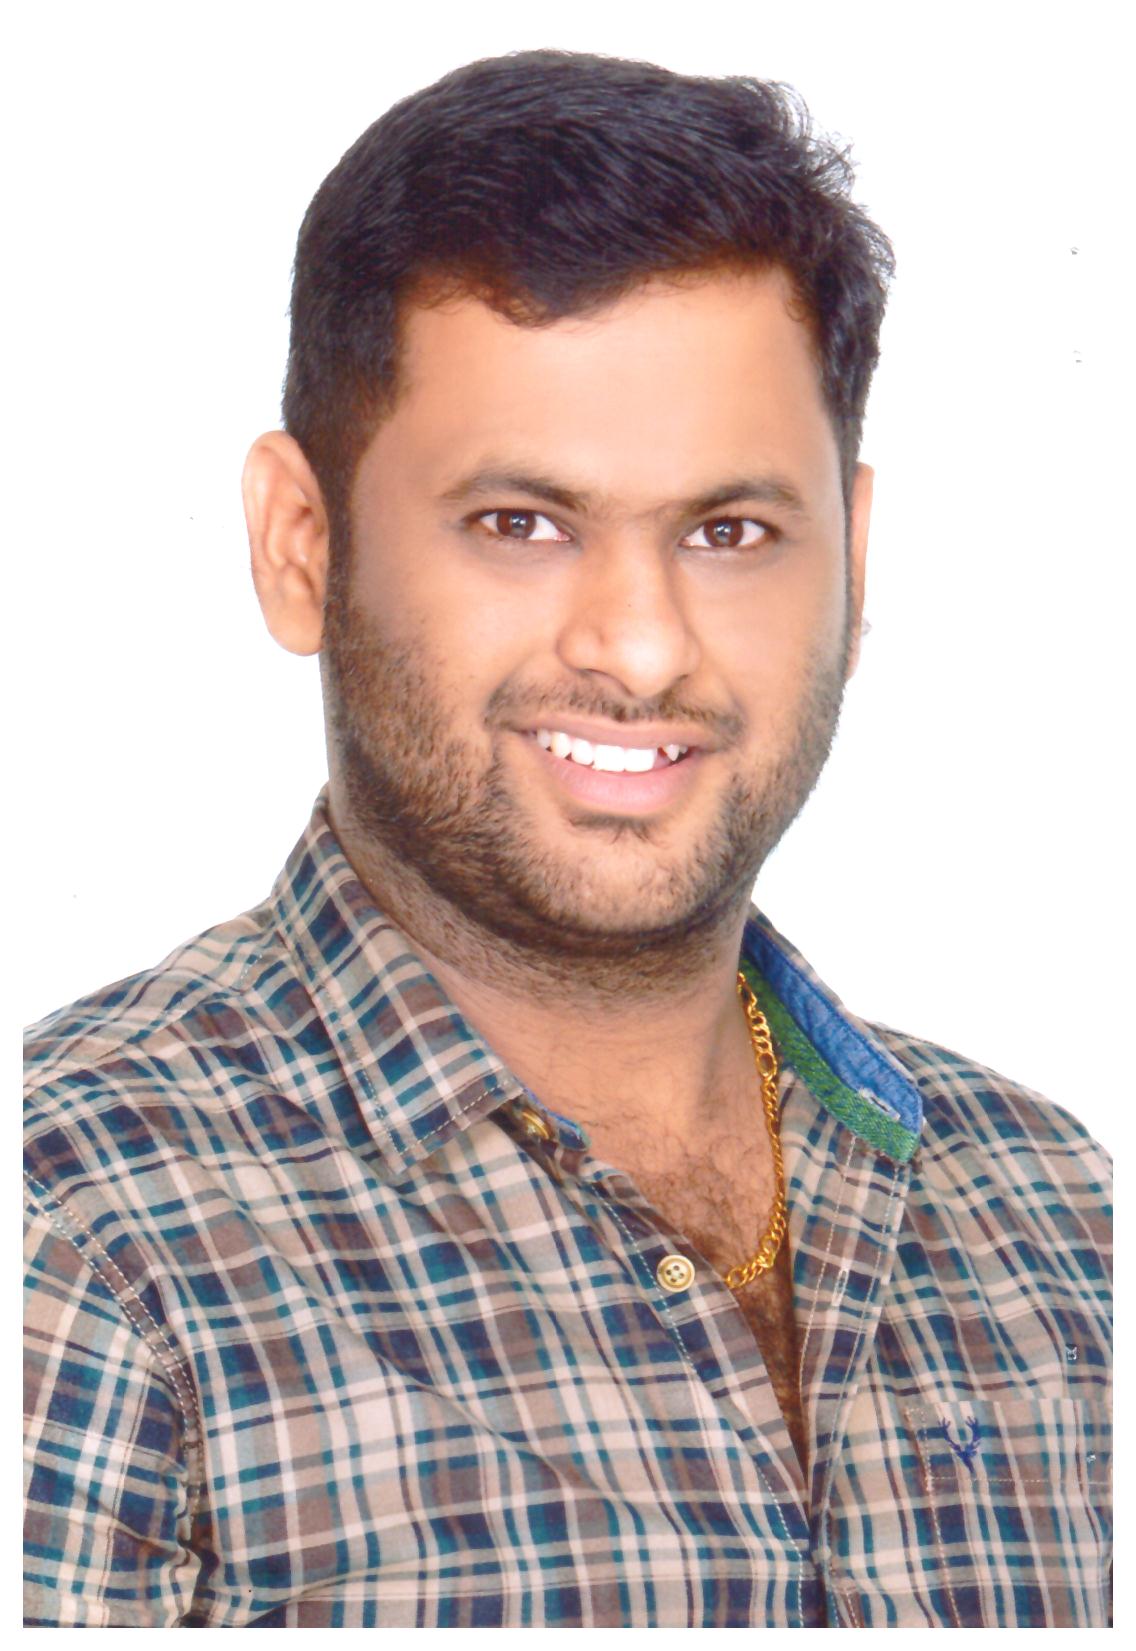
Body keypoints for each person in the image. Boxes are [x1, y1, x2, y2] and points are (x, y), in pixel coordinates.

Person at [23, 50, 1111, 1629]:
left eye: (729, 532)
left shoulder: (1063, 1218)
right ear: (301, 547)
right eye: (521, 524)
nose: (643, 647)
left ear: (855, 562)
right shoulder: (72, 1239)